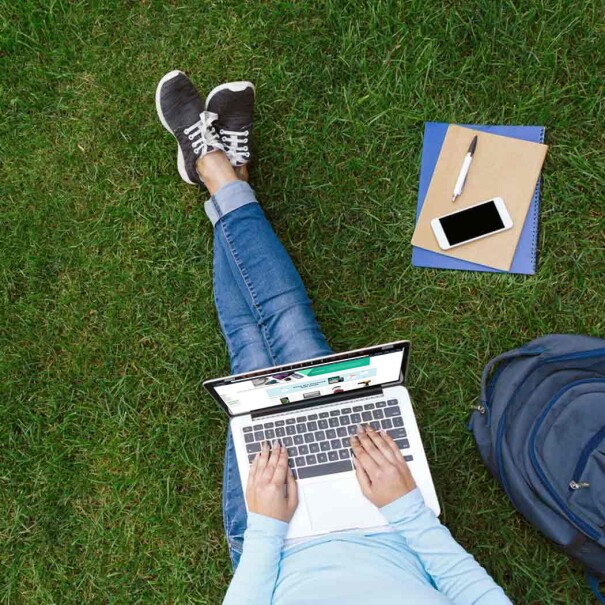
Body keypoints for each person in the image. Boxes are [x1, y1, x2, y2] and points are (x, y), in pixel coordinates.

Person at [155, 70, 513, 605]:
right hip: (391, 522)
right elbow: (473, 593)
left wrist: (267, 529)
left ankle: (216, 171)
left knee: (250, 348)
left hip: (274, 544)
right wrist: (407, 511)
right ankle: (225, 174)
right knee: (289, 324)